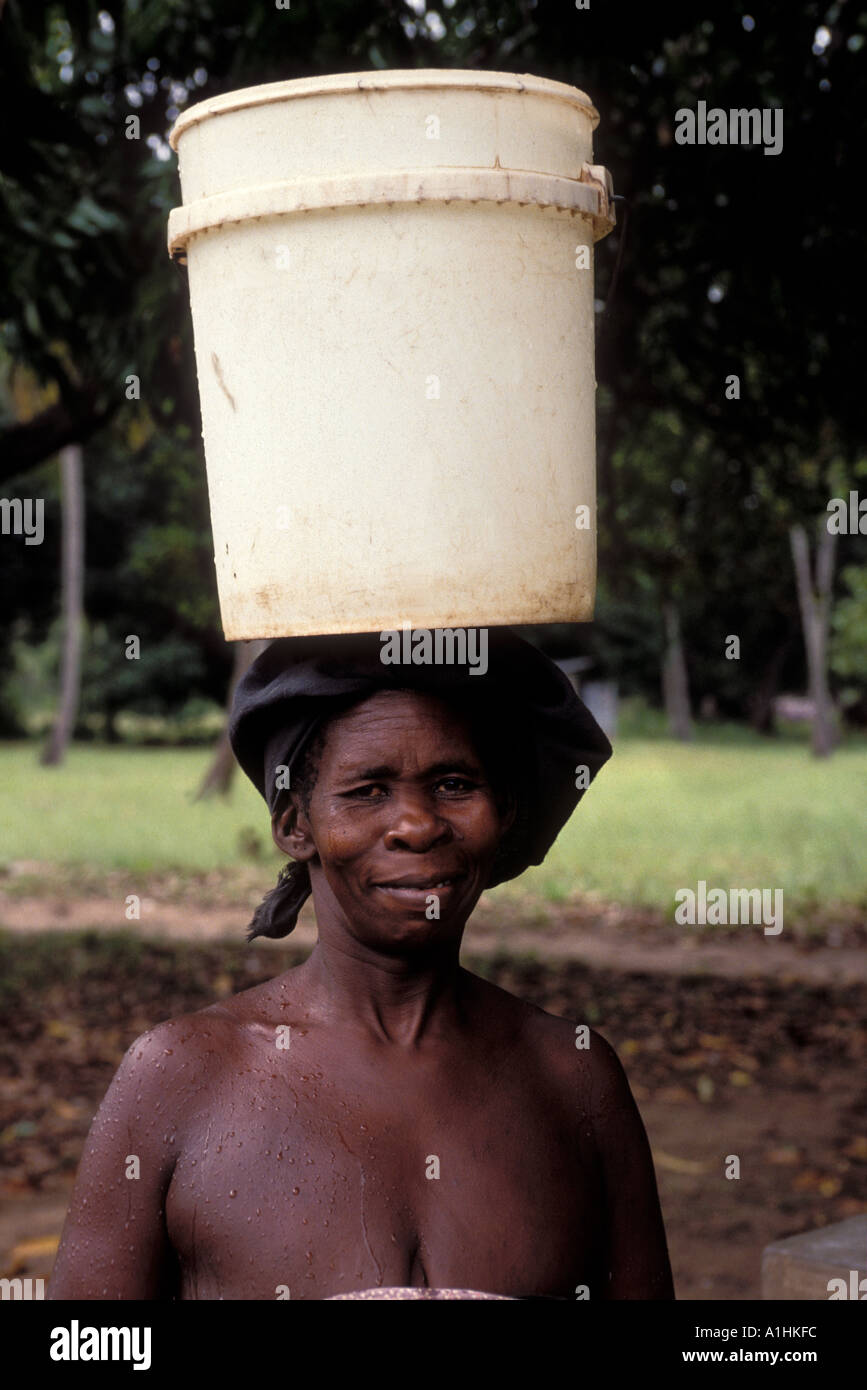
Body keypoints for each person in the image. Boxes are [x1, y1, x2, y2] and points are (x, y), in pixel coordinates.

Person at [48, 628, 674, 1300]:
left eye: (454, 784)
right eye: (368, 790)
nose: (415, 823)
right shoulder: (180, 1074)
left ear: (504, 815)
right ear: (295, 826)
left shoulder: (572, 1075)